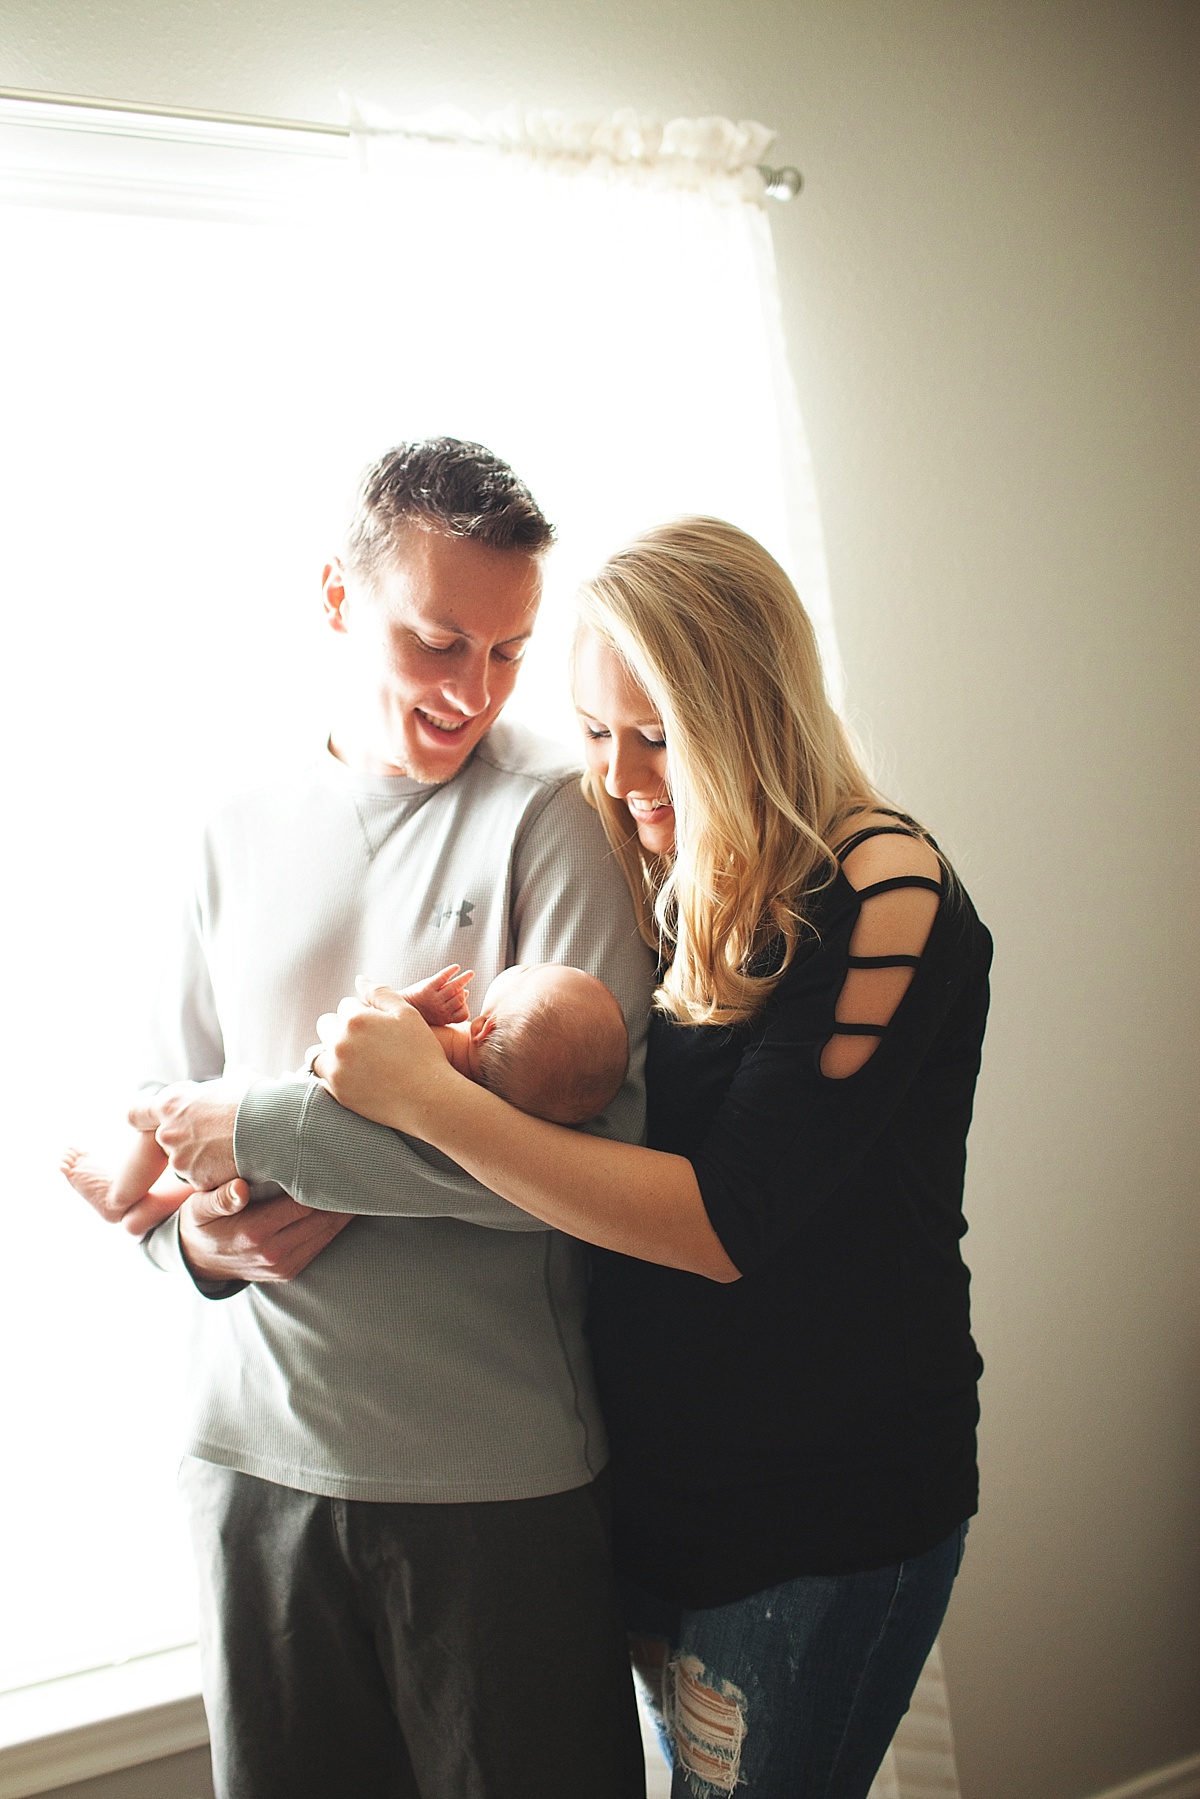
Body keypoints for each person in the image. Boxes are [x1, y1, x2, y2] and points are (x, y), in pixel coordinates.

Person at [306, 516, 992, 1799]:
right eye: (597, 729)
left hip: (821, 1505)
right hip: (664, 1490)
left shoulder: (885, 889)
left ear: (749, 706)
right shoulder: (672, 877)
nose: (617, 774)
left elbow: (722, 1219)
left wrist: (432, 1106)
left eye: (657, 733)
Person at [121, 440, 654, 1799]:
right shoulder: (228, 820)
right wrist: (194, 1251)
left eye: (510, 651)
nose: (472, 691)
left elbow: (607, 1168)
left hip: (499, 1485)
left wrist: (269, 1126)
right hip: (250, 1468)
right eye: (439, 641)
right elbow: (157, 1129)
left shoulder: (554, 814)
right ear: (337, 599)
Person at [61, 961, 628, 1230]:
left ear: (483, 1029)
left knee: (165, 1116)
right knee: (229, 1191)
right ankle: (158, 1206)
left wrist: (412, 1004)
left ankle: (120, 1193)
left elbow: (352, 1042)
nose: (525, 966)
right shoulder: (500, 1121)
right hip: (305, 1187)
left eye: (526, 975)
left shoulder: (440, 1053)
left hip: (262, 1132)